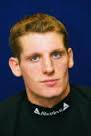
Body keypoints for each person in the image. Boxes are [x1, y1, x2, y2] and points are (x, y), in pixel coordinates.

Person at [0, 13, 91, 136]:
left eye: (56, 55)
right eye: (34, 58)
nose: (49, 68)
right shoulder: (3, 120)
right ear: (16, 67)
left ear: (70, 58)